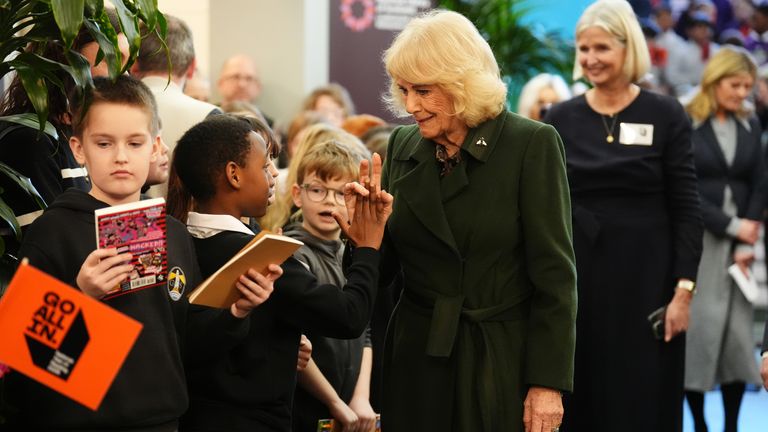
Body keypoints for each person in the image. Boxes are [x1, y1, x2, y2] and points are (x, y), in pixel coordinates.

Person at [3, 75, 276, 431]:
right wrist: (79, 295)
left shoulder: (174, 234)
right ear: (79, 148)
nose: (120, 157)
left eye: (134, 143)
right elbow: (18, 364)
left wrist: (237, 311)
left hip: (164, 420)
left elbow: (182, 339)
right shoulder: (52, 232)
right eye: (104, 143)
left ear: (155, 147)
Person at [377, 9, 577, 432]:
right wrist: (361, 233)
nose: (410, 105)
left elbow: (555, 277)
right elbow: (383, 271)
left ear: (461, 83)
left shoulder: (532, 144)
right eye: (404, 89)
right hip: (416, 359)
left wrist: (547, 385)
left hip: (498, 358)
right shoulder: (401, 145)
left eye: (424, 91)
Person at [168, 114, 392, 431]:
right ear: (233, 174)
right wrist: (368, 246)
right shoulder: (259, 256)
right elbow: (350, 316)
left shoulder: (178, 239)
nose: (274, 174)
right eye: (264, 165)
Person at [544, 1, 703, 431]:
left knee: (645, 399)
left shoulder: (666, 114)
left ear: (627, 48)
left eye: (601, 47)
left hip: (649, 284)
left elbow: (687, 207)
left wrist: (683, 291)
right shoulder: (559, 117)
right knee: (585, 397)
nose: (590, 58)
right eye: (583, 48)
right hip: (581, 283)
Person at [683, 46, 765, 432]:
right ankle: (699, 424)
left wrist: (748, 235)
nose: (742, 94)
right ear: (715, 80)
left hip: (740, 250)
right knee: (698, 340)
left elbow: (758, 182)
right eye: (735, 84)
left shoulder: (749, 124)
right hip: (700, 242)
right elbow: (685, 187)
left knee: (736, 342)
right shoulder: (686, 120)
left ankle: (731, 427)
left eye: (748, 87)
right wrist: (733, 226)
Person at [285, 142, 376, 432]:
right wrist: (334, 401)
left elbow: (365, 330)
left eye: (341, 193)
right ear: (298, 195)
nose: (329, 201)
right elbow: (294, 341)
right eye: (317, 190)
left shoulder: (349, 253)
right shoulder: (293, 252)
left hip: (350, 405)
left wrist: (360, 398)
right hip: (307, 408)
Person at [130, 14, 222, 199]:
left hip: (119, 226)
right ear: (191, 67)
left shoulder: (104, 111)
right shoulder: (211, 118)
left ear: (133, 64)